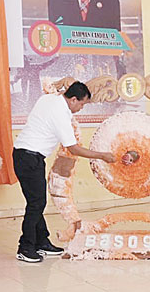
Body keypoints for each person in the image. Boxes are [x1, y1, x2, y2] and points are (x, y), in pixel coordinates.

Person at [13, 81, 115, 263]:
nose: (81, 108)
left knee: (36, 201)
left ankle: (42, 242)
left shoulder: (50, 99)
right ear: (73, 99)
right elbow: (73, 148)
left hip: (27, 156)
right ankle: (25, 247)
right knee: (36, 203)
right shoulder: (60, 114)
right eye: (82, 104)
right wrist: (101, 156)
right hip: (29, 157)